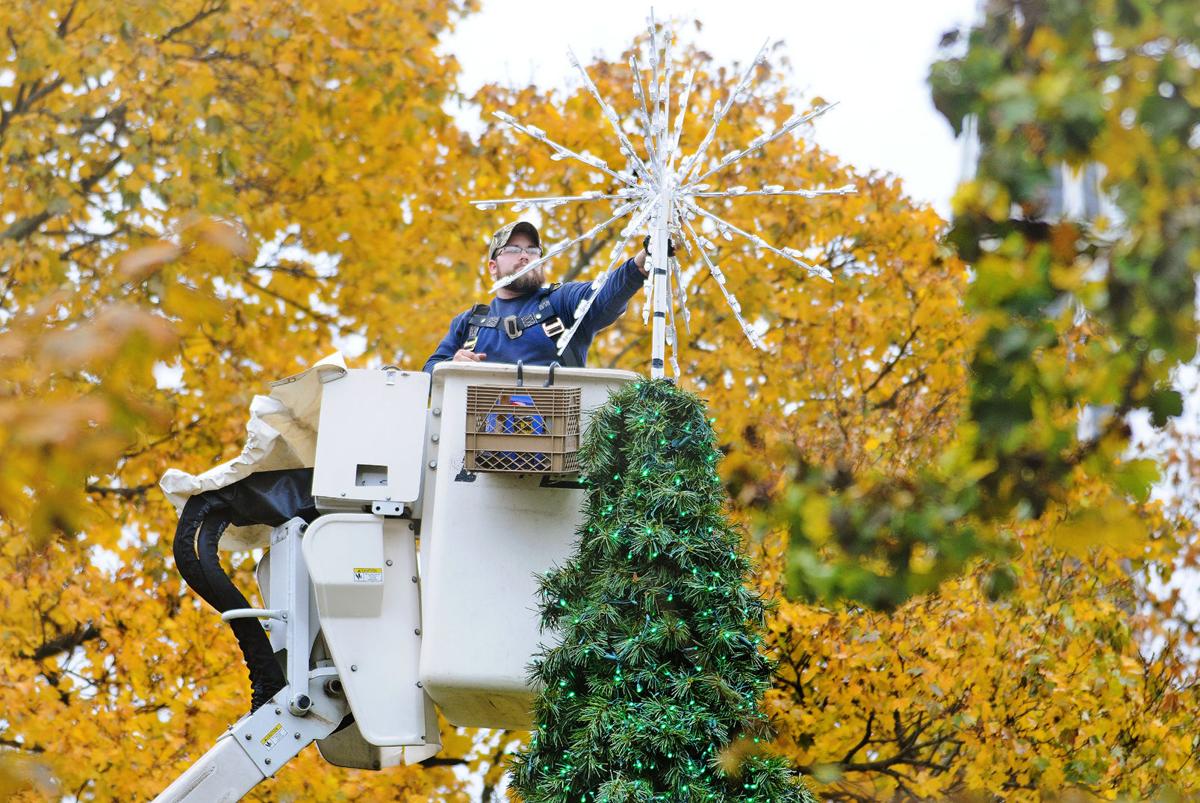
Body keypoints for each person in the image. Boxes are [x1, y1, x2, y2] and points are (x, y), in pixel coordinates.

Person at [422, 221, 651, 372]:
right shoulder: (470, 323)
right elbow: (428, 373)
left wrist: (641, 263)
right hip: (481, 434)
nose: (525, 256)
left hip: (556, 432)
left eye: (533, 250)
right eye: (513, 249)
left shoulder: (561, 303)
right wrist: (451, 365)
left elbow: (604, 294)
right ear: (493, 266)